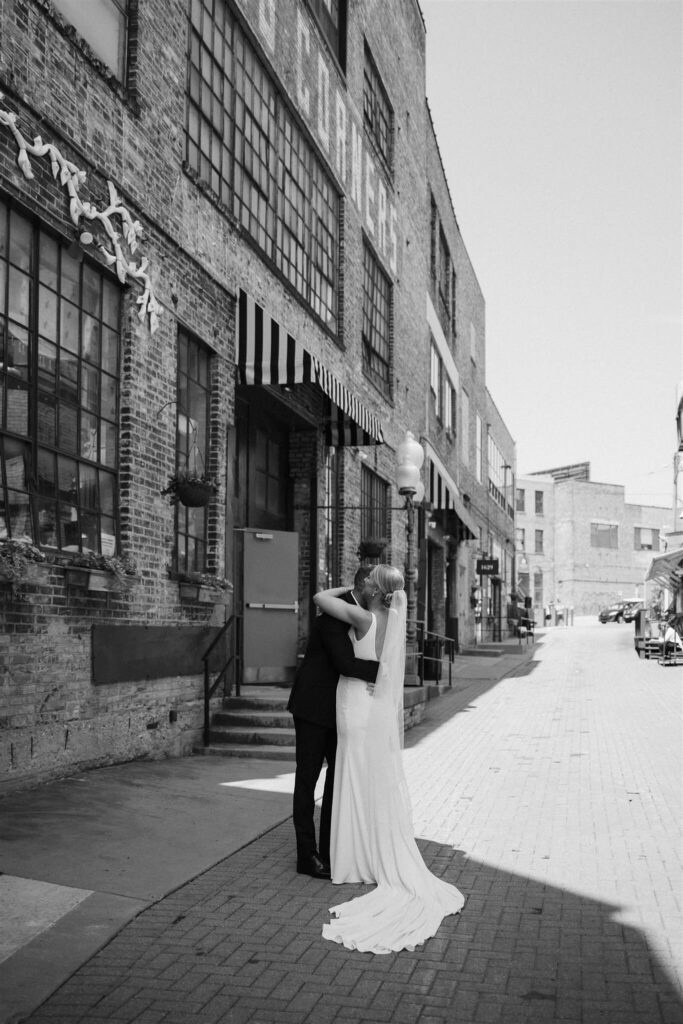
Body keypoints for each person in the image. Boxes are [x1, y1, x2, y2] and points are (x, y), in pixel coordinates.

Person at [313, 564, 464, 954]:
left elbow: (320, 599)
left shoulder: (363, 617)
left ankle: (352, 859)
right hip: (376, 708)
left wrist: (352, 585)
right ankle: (369, 852)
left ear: (373, 587)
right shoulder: (395, 617)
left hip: (352, 703)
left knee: (349, 775)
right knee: (369, 779)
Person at [287, 565, 379, 880]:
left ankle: (329, 849)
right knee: (307, 780)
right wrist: (387, 674)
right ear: (365, 587)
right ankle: (306, 855)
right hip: (312, 708)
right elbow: (345, 663)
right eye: (376, 590)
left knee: (337, 782)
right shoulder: (331, 619)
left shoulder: (357, 613)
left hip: (339, 711)